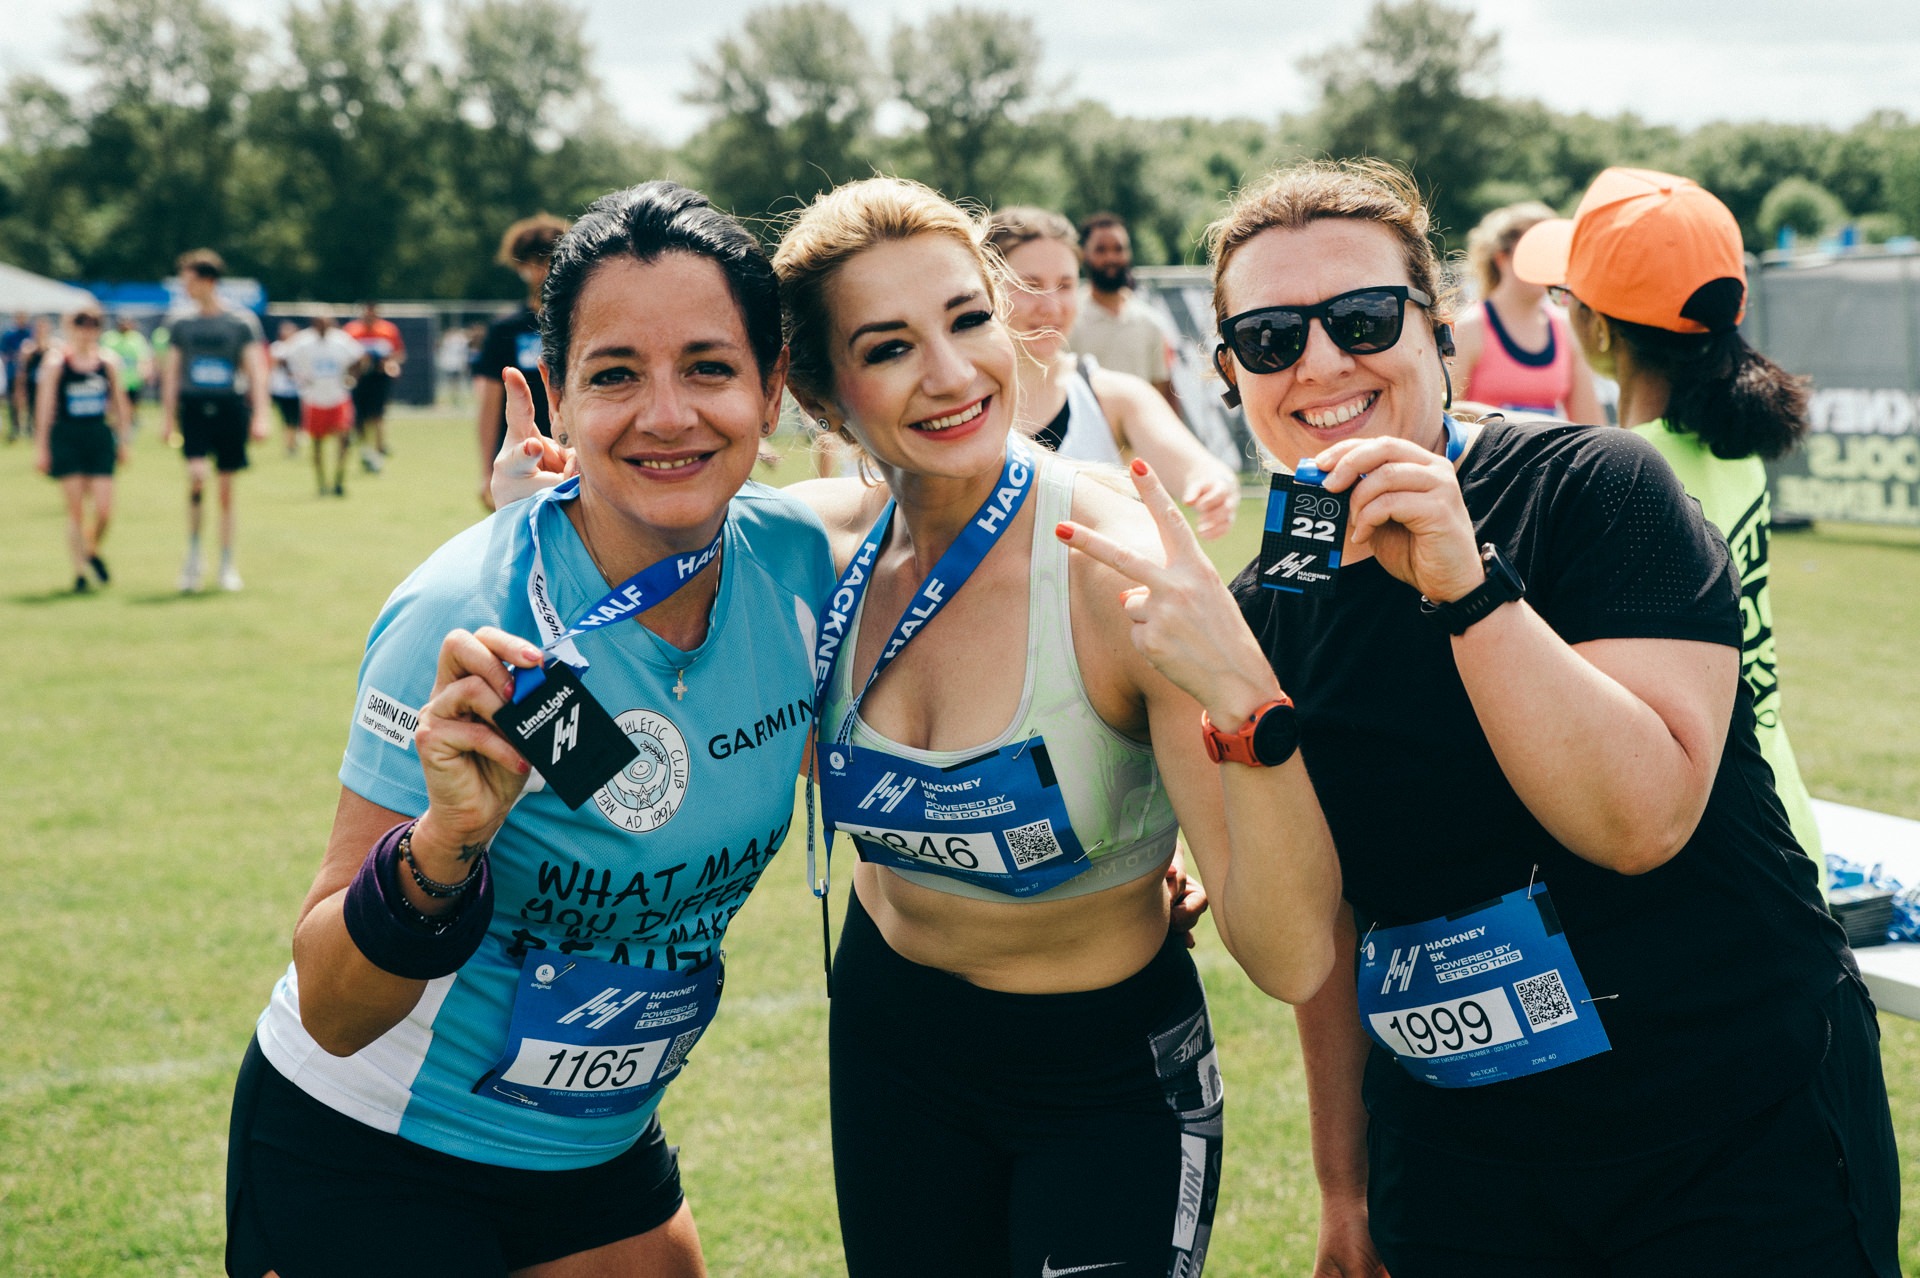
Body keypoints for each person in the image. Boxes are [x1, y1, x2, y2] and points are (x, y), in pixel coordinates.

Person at [1068, 157, 1895, 1278]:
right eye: (1269, 338)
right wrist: (1344, 1192)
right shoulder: (1266, 609)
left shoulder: (1594, 489)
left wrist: (1468, 587)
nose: (1319, 362)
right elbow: (1321, 945)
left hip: (1726, 1132)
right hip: (1463, 1165)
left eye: (1360, 318)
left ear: (1437, 329)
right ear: (1229, 373)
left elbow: (1639, 821)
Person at [224, 182, 834, 1278]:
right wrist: (441, 852)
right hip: (372, 1153)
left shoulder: (804, 569)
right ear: (556, 393)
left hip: (595, 1152)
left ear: (773, 384)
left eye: (708, 367)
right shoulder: (467, 623)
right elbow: (332, 1007)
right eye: (614, 375)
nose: (666, 414)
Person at [774, 177, 1336, 1276]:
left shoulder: (1114, 572)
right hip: (894, 1045)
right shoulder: (808, 554)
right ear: (824, 393)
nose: (951, 373)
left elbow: (1291, 953)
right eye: (888, 347)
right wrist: (539, 512)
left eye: (968, 318)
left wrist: (1243, 705)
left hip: (1103, 1076)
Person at [1514, 167, 1827, 872]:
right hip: (1776, 823)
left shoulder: (1616, 478)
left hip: (1706, 853)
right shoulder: (1731, 445)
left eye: (1567, 296)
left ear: (1593, 325)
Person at [986, 205, 1240, 538]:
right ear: (985, 285)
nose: (1051, 306)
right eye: (1030, 285)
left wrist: (1213, 484)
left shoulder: (1115, 396)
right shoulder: (949, 400)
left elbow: (1191, 463)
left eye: (1064, 285)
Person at [160, 249, 270, 593]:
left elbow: (256, 369)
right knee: (196, 478)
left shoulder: (240, 322)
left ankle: (226, 562)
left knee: (225, 490)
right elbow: (172, 371)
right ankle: (193, 557)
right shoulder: (182, 323)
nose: (185, 287)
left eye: (189, 280)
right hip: (194, 408)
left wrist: (262, 414)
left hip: (229, 408)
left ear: (207, 281)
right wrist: (167, 417)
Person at [1452, 202, 1603, 422]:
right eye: (1537, 252)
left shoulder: (1566, 329)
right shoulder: (1468, 327)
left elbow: (1591, 425)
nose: (1549, 262)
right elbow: (1445, 417)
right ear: (1501, 258)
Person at [33, 304, 131, 592]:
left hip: (98, 437)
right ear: (70, 328)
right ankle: (79, 572)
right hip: (67, 437)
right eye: (81, 325)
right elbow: (45, 407)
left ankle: (90, 549)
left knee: (103, 510)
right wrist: (42, 447)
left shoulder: (107, 362)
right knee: (75, 509)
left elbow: (120, 405)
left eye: (93, 326)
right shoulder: (56, 363)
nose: (87, 332)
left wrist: (123, 440)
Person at [476, 213, 571, 508]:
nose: (541, 269)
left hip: (573, 454)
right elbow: (490, 403)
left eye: (549, 259)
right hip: (522, 456)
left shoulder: (578, 324)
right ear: (521, 266)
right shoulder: (505, 329)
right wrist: (487, 471)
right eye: (533, 262)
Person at [1070, 211, 1184, 420]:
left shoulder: (1151, 323)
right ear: (1084, 254)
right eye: (1101, 249)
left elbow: (1163, 395)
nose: (1111, 257)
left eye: (1118, 249)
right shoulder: (1067, 319)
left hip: (1136, 447)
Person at [281, 305, 368, 497]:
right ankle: (321, 483)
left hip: (338, 397)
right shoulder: (303, 342)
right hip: (314, 399)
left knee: (344, 439)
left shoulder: (341, 340)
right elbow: (284, 357)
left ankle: (339, 480)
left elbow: (360, 357)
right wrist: (298, 377)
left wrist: (352, 378)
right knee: (317, 443)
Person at [345, 300, 405, 472]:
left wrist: (390, 363)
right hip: (360, 379)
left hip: (379, 377)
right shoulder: (352, 330)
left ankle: (379, 449)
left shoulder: (388, 330)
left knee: (378, 415)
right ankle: (366, 450)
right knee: (360, 418)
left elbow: (398, 353)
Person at [101, 314, 155, 433]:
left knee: (131, 407)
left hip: (132, 382)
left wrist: (146, 372)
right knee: (114, 408)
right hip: (115, 382)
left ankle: (127, 428)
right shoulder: (109, 338)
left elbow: (144, 357)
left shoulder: (136, 339)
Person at [267, 319, 304, 456]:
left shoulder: (300, 347)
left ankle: (294, 443)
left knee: (298, 419)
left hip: (298, 389)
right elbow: (274, 365)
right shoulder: (277, 347)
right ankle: (289, 445)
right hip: (282, 390)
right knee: (287, 420)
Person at [2, 310, 31, 442]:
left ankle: (29, 427)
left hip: (28, 374)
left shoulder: (30, 333)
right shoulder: (9, 334)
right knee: (13, 401)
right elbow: (4, 353)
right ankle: (15, 427)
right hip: (12, 372)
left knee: (29, 400)